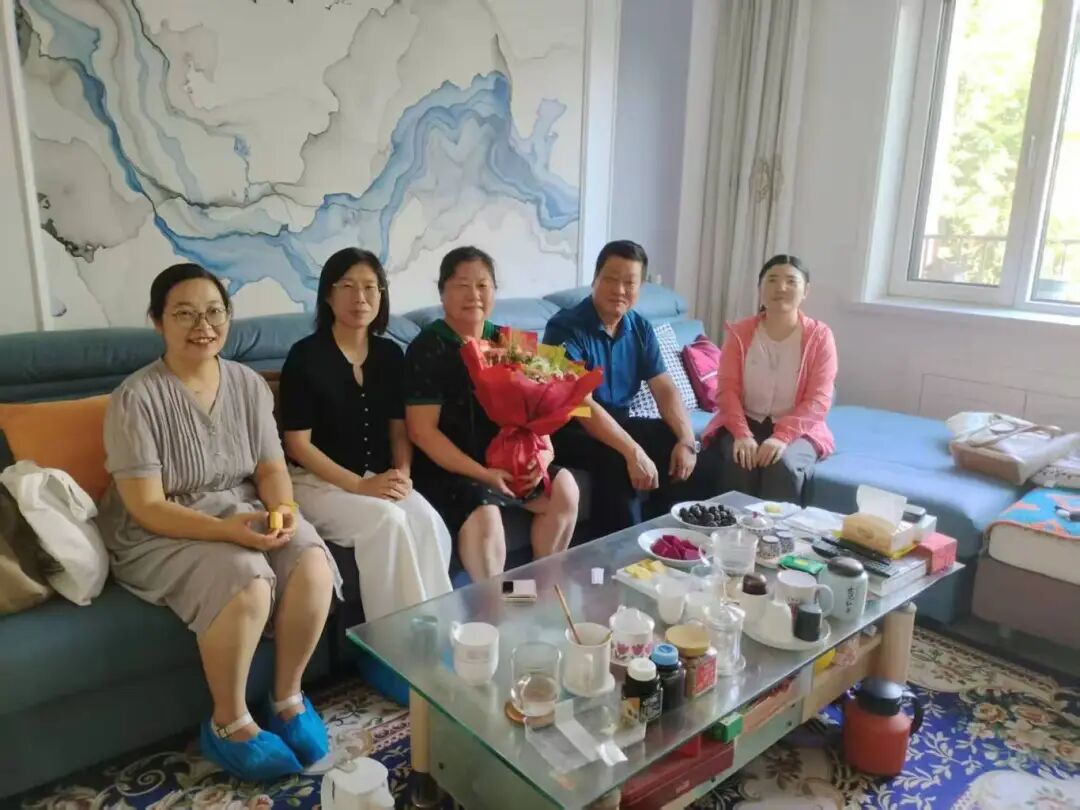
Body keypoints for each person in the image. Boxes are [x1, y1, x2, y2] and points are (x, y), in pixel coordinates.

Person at [96, 264, 342, 781]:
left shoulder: (248, 384)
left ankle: (287, 699)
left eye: (214, 312)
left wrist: (284, 510)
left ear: (228, 316)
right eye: (184, 314)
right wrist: (231, 532)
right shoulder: (135, 398)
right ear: (158, 320)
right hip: (161, 527)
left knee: (312, 561)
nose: (202, 326)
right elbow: (147, 506)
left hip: (239, 506)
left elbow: (271, 468)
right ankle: (228, 723)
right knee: (246, 578)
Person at [279, 248, 452, 622]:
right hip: (314, 483)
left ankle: (437, 628)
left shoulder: (389, 354)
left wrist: (402, 473)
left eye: (370, 287)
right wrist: (359, 485)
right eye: (347, 286)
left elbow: (398, 428)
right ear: (328, 295)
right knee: (388, 522)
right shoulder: (305, 356)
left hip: (376, 476)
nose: (360, 297)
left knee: (428, 520)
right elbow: (297, 444)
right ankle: (394, 641)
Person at [404, 246, 579, 581]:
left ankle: (543, 585)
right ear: (442, 292)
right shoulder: (427, 348)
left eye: (483, 285)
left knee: (565, 488)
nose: (474, 294)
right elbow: (422, 432)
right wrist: (484, 474)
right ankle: (493, 603)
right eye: (462, 285)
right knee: (485, 515)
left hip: (508, 461)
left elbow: (540, 410)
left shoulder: (508, 342)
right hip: (451, 470)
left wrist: (542, 457)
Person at [543, 240, 720, 536]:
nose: (619, 290)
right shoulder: (561, 328)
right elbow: (580, 404)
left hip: (619, 421)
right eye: (611, 279)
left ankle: (681, 539)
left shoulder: (639, 327)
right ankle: (623, 551)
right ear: (595, 279)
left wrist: (687, 440)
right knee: (616, 458)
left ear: (641, 288)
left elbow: (664, 388)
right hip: (570, 429)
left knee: (685, 450)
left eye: (629, 282)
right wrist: (632, 451)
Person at [699, 254, 837, 502]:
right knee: (740, 461)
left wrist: (781, 437)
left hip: (800, 429)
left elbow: (819, 400)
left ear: (805, 291)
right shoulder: (740, 333)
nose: (780, 288)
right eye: (772, 280)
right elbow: (727, 390)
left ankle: (778, 528)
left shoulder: (820, 337)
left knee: (781, 465)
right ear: (760, 289)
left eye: (791, 281)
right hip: (745, 421)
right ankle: (731, 526)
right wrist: (742, 434)